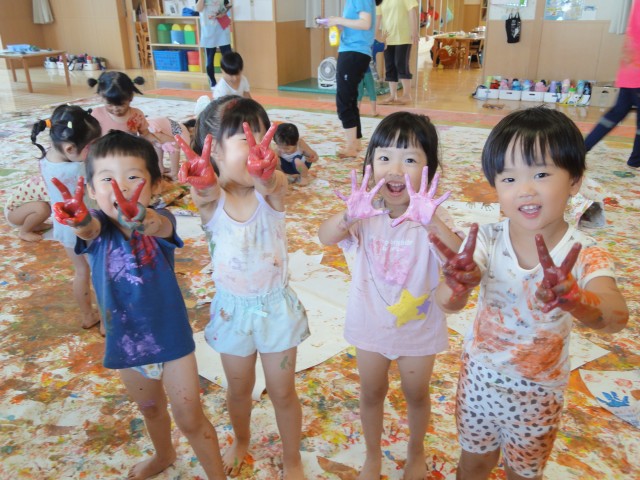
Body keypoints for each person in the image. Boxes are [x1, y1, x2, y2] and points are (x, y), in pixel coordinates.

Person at [429, 107, 629, 480]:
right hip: (479, 382)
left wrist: (577, 300)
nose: (525, 190)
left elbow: (616, 317)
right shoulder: (485, 239)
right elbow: (446, 303)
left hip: (539, 396)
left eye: (541, 174)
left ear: (574, 180)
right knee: (473, 464)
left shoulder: (584, 253)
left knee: (523, 474)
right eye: (509, 178)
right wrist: (457, 285)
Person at [50, 131, 226, 480]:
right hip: (127, 343)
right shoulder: (97, 227)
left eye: (133, 177)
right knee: (151, 409)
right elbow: (87, 229)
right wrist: (78, 219)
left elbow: (157, 225)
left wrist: (141, 219)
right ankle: (164, 454)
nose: (121, 187)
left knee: (190, 418)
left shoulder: (162, 220)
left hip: (172, 341)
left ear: (156, 185)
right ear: (90, 189)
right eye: (107, 179)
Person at [318, 112, 462, 479]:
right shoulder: (363, 215)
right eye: (384, 157)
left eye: (409, 159)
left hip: (418, 330)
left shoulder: (433, 219)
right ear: (369, 165)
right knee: (371, 392)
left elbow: (460, 258)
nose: (395, 169)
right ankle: (372, 455)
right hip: (370, 325)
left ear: (429, 170)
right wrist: (348, 214)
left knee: (417, 394)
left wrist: (431, 220)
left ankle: (416, 451)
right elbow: (324, 236)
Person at [175, 96, 309, 479]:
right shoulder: (211, 201)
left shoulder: (270, 193)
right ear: (214, 150)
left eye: (262, 141)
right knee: (239, 390)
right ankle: (242, 439)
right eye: (245, 142)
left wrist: (267, 173)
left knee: (283, 392)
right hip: (232, 313)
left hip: (276, 310)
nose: (258, 151)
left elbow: (275, 181)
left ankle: (292, 458)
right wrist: (203, 181)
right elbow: (204, 193)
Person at [32, 104, 103, 331]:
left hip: (63, 228)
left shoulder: (45, 159)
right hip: (87, 227)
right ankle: (106, 323)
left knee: (81, 272)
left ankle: (87, 316)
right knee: (100, 274)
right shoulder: (78, 169)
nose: (93, 152)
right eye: (91, 147)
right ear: (70, 148)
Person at [584, 0, 640, 168]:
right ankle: (635, 160)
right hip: (636, 72)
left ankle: (581, 149)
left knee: (615, 114)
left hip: (629, 71)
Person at [327, 0, 382, 159]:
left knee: (344, 100)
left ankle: (351, 147)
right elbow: (358, 25)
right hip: (355, 51)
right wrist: (338, 24)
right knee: (350, 99)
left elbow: (365, 23)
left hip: (354, 52)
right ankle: (355, 143)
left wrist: (339, 20)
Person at [88, 72, 168, 173]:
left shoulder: (136, 115)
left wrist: (159, 143)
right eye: (110, 104)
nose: (115, 109)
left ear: (130, 98)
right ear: (101, 97)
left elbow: (146, 134)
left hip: (130, 157)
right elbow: (90, 141)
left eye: (121, 104)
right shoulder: (96, 114)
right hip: (105, 158)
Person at [377, 0, 419, 105]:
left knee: (401, 63)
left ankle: (407, 95)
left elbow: (412, 11)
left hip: (403, 36)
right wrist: (374, 37)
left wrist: (414, 31)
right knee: (389, 65)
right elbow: (378, 18)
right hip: (387, 38)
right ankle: (393, 95)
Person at [196, 0, 233, 91]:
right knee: (210, 58)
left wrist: (223, 13)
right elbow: (198, 9)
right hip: (208, 29)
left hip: (222, 27)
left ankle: (230, 81)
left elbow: (228, 4)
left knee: (228, 57)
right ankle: (212, 81)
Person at [4, 174, 50, 242]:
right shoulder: (51, 185)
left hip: (25, 209)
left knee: (46, 207)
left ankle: (35, 224)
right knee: (42, 209)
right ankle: (24, 232)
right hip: (13, 212)